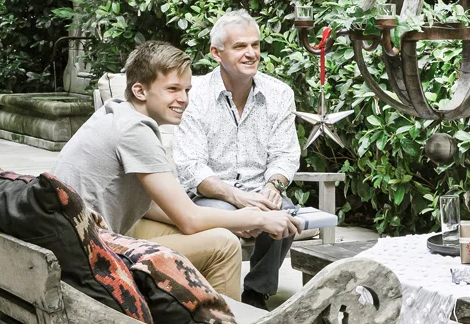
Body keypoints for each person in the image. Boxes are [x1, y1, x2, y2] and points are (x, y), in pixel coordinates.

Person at [53, 40, 300, 301]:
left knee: (211, 231)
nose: (183, 99)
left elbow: (149, 206)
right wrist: (258, 219)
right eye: (172, 89)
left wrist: (238, 220)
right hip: (91, 254)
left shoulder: (116, 112)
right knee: (223, 245)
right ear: (139, 90)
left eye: (186, 90)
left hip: (76, 237)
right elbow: (189, 219)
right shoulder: (135, 131)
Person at [173, 10, 302, 309]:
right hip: (210, 195)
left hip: (259, 191)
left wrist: (274, 186)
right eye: (240, 46)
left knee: (282, 210)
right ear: (216, 53)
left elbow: (285, 153)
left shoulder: (280, 94)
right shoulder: (195, 95)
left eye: (255, 45)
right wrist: (240, 201)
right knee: (223, 213)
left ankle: (257, 292)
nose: (251, 53)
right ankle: (211, 293)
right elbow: (192, 168)